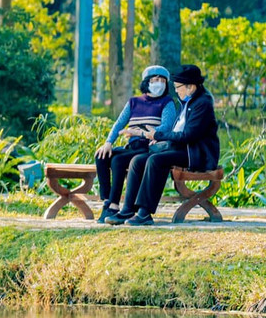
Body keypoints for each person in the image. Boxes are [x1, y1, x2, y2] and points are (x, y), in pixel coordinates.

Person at [106, 64, 219, 227]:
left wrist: (156, 134)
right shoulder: (188, 101)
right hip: (181, 148)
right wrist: (161, 140)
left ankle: (145, 213)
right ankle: (128, 210)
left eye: (178, 87)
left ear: (190, 86)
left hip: (196, 153)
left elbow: (189, 135)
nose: (176, 91)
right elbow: (177, 131)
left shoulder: (202, 103)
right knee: (138, 160)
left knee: (156, 161)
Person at [93, 65, 177, 224]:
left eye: (162, 81)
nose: (158, 83)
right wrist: (108, 142)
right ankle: (107, 201)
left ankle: (114, 206)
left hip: (148, 148)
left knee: (118, 161)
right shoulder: (133, 102)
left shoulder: (167, 102)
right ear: (147, 82)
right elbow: (119, 124)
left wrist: (141, 131)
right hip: (131, 147)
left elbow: (166, 126)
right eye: (155, 80)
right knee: (102, 155)